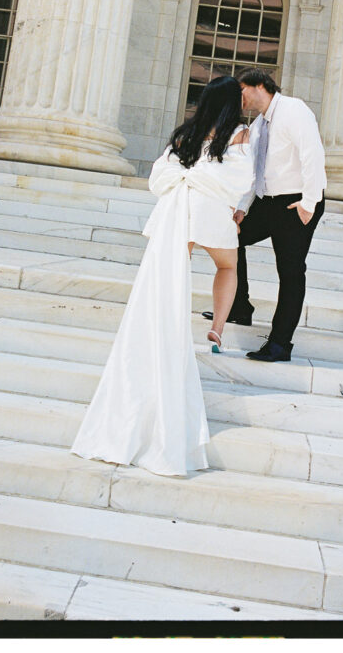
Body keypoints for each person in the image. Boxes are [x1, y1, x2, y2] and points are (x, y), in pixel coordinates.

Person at [71, 76, 253, 477]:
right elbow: (241, 179)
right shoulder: (238, 132)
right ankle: (218, 328)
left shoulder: (185, 133)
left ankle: (165, 320)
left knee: (174, 266)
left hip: (174, 209)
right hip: (206, 209)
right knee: (227, 265)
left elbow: (161, 176)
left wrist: (188, 178)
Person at [204, 68, 326, 363]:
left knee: (291, 271)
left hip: (296, 203)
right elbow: (254, 170)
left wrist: (309, 202)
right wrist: (242, 208)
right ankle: (239, 306)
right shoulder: (259, 125)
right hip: (266, 203)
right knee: (231, 239)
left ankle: (280, 344)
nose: (239, 98)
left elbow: (313, 155)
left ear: (259, 86)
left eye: (241, 91)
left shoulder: (294, 110)